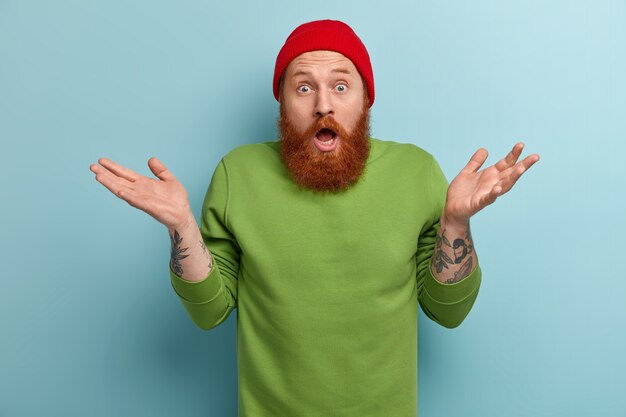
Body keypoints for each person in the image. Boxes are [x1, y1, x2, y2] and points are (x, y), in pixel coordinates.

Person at [89, 19, 539, 417]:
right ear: (283, 103)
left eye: (341, 86)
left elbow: (448, 311)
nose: (323, 104)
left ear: (365, 101)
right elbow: (210, 312)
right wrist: (181, 226)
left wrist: (456, 223)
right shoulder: (237, 173)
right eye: (303, 87)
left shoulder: (415, 171)